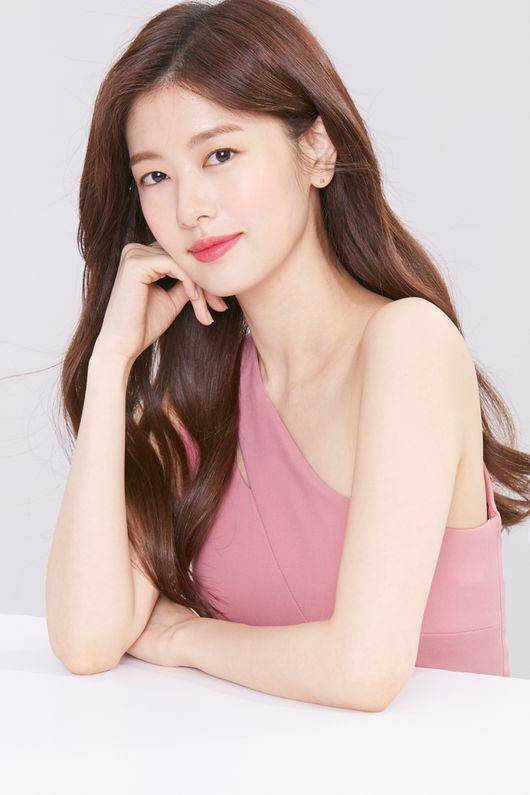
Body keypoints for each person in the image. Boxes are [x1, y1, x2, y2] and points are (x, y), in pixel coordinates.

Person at [46, 0, 528, 709]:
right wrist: (112, 360)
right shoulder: (199, 400)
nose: (190, 208)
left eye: (220, 155)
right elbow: (86, 639)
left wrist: (184, 638)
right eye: (155, 176)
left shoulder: (408, 345)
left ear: (316, 151)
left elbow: (364, 670)